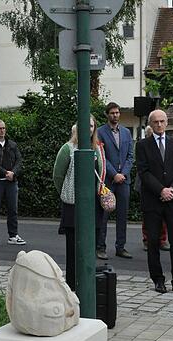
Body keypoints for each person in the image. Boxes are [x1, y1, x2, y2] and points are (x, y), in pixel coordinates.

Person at [136, 109, 173, 294]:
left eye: (162, 121)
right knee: (153, 241)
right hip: (153, 200)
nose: (159, 124)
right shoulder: (143, 145)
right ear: (150, 124)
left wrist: (171, 190)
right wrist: (161, 190)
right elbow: (144, 172)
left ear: (167, 123)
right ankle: (158, 280)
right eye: (155, 122)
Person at [53, 115, 104, 290]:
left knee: (90, 247)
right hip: (72, 206)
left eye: (91, 126)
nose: (88, 129)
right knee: (73, 250)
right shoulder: (67, 149)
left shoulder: (96, 149)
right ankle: (72, 287)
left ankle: (87, 284)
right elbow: (58, 176)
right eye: (85, 126)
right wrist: (67, 194)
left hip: (93, 206)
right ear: (77, 128)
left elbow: (100, 175)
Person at [96, 102, 133, 260]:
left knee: (122, 216)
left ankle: (121, 247)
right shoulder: (100, 132)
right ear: (107, 115)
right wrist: (114, 174)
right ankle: (100, 247)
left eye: (117, 112)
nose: (115, 115)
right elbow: (101, 156)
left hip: (124, 180)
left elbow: (131, 156)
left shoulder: (126, 132)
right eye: (112, 113)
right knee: (103, 215)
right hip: (108, 181)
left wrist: (123, 173)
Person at [0, 119, 25, 247]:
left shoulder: (12, 145)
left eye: (4, 128)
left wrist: (13, 173)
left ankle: (13, 235)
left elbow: (19, 161)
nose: (2, 130)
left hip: (11, 182)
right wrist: (5, 173)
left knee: (13, 209)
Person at [139, 125, 170, 252]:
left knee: (163, 215)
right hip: (147, 185)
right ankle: (147, 240)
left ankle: (162, 239)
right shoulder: (143, 146)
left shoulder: (167, 145)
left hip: (164, 186)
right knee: (148, 215)